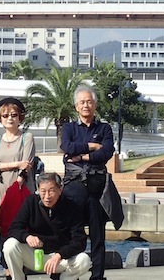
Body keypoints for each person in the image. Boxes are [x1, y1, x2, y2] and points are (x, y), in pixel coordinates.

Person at [61, 85, 122, 280]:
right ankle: (70, 274)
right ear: (76, 106)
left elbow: (106, 152)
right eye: (82, 102)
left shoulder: (104, 128)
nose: (86, 105)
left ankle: (97, 276)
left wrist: (82, 157)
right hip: (74, 186)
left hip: (96, 187)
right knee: (71, 232)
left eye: (89, 101)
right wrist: (91, 146)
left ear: (95, 105)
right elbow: (67, 147)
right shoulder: (69, 128)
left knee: (98, 235)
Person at [3, 172, 91, 280]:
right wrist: (27, 237)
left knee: (84, 260)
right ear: (38, 190)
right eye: (43, 191)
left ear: (60, 190)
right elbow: (13, 229)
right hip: (36, 256)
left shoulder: (72, 207)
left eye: (51, 191)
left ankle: (63, 278)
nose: (47, 196)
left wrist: (60, 254)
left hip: (60, 259)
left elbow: (80, 241)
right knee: (10, 245)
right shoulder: (30, 202)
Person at [0, 97, 36, 277]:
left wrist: (18, 174)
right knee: (4, 226)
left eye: (14, 115)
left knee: (23, 226)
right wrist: (16, 164)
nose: (10, 118)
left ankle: (22, 265)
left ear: (20, 117)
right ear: (0, 118)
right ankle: (7, 266)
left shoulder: (26, 138)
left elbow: (27, 163)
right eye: (5, 115)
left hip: (20, 187)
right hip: (0, 189)